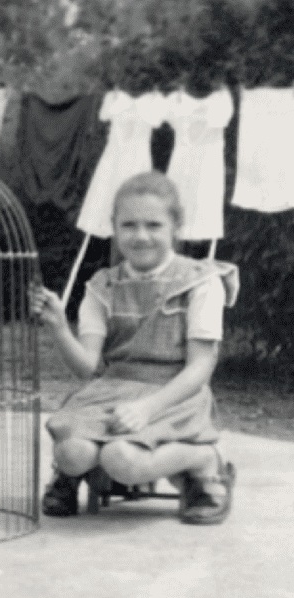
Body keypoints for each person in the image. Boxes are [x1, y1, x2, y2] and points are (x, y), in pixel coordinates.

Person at [30, 171, 239, 525]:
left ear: (176, 227)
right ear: (114, 227)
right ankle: (76, 471)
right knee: (70, 452)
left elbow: (200, 367)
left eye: (154, 225)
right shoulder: (103, 285)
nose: (141, 236)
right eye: (129, 225)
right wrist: (59, 327)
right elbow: (86, 368)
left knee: (122, 460)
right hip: (112, 389)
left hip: (175, 395)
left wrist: (146, 408)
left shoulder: (201, 282)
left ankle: (203, 460)